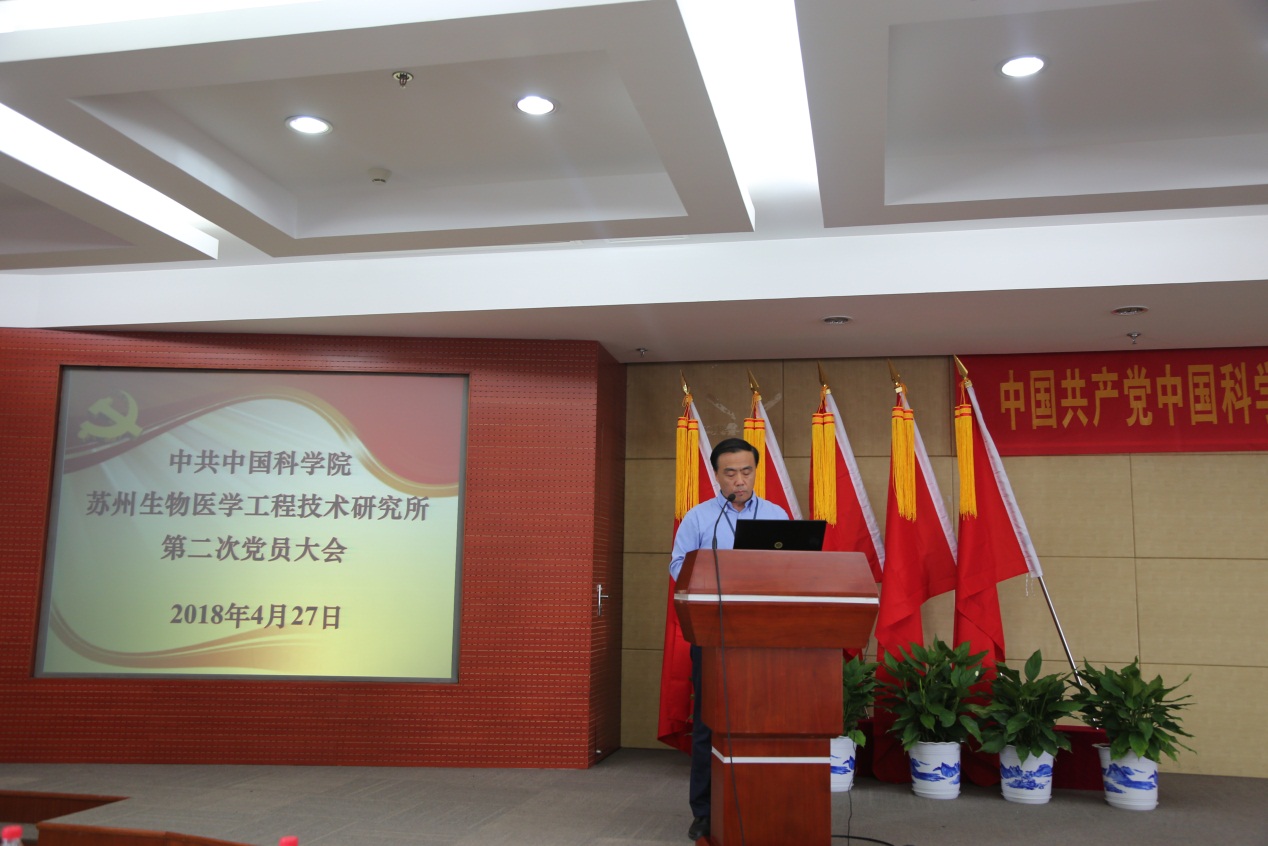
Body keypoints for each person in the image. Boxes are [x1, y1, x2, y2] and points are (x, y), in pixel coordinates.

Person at [669, 437, 789, 842]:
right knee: (709, 723)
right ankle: (704, 812)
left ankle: (762, 802)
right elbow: (677, 566)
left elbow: (793, 565)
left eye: (746, 471)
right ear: (717, 475)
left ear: (755, 472)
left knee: (762, 719)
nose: (740, 480)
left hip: (763, 636)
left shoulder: (775, 515)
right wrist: (711, 577)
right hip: (714, 633)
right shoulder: (699, 518)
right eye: (731, 473)